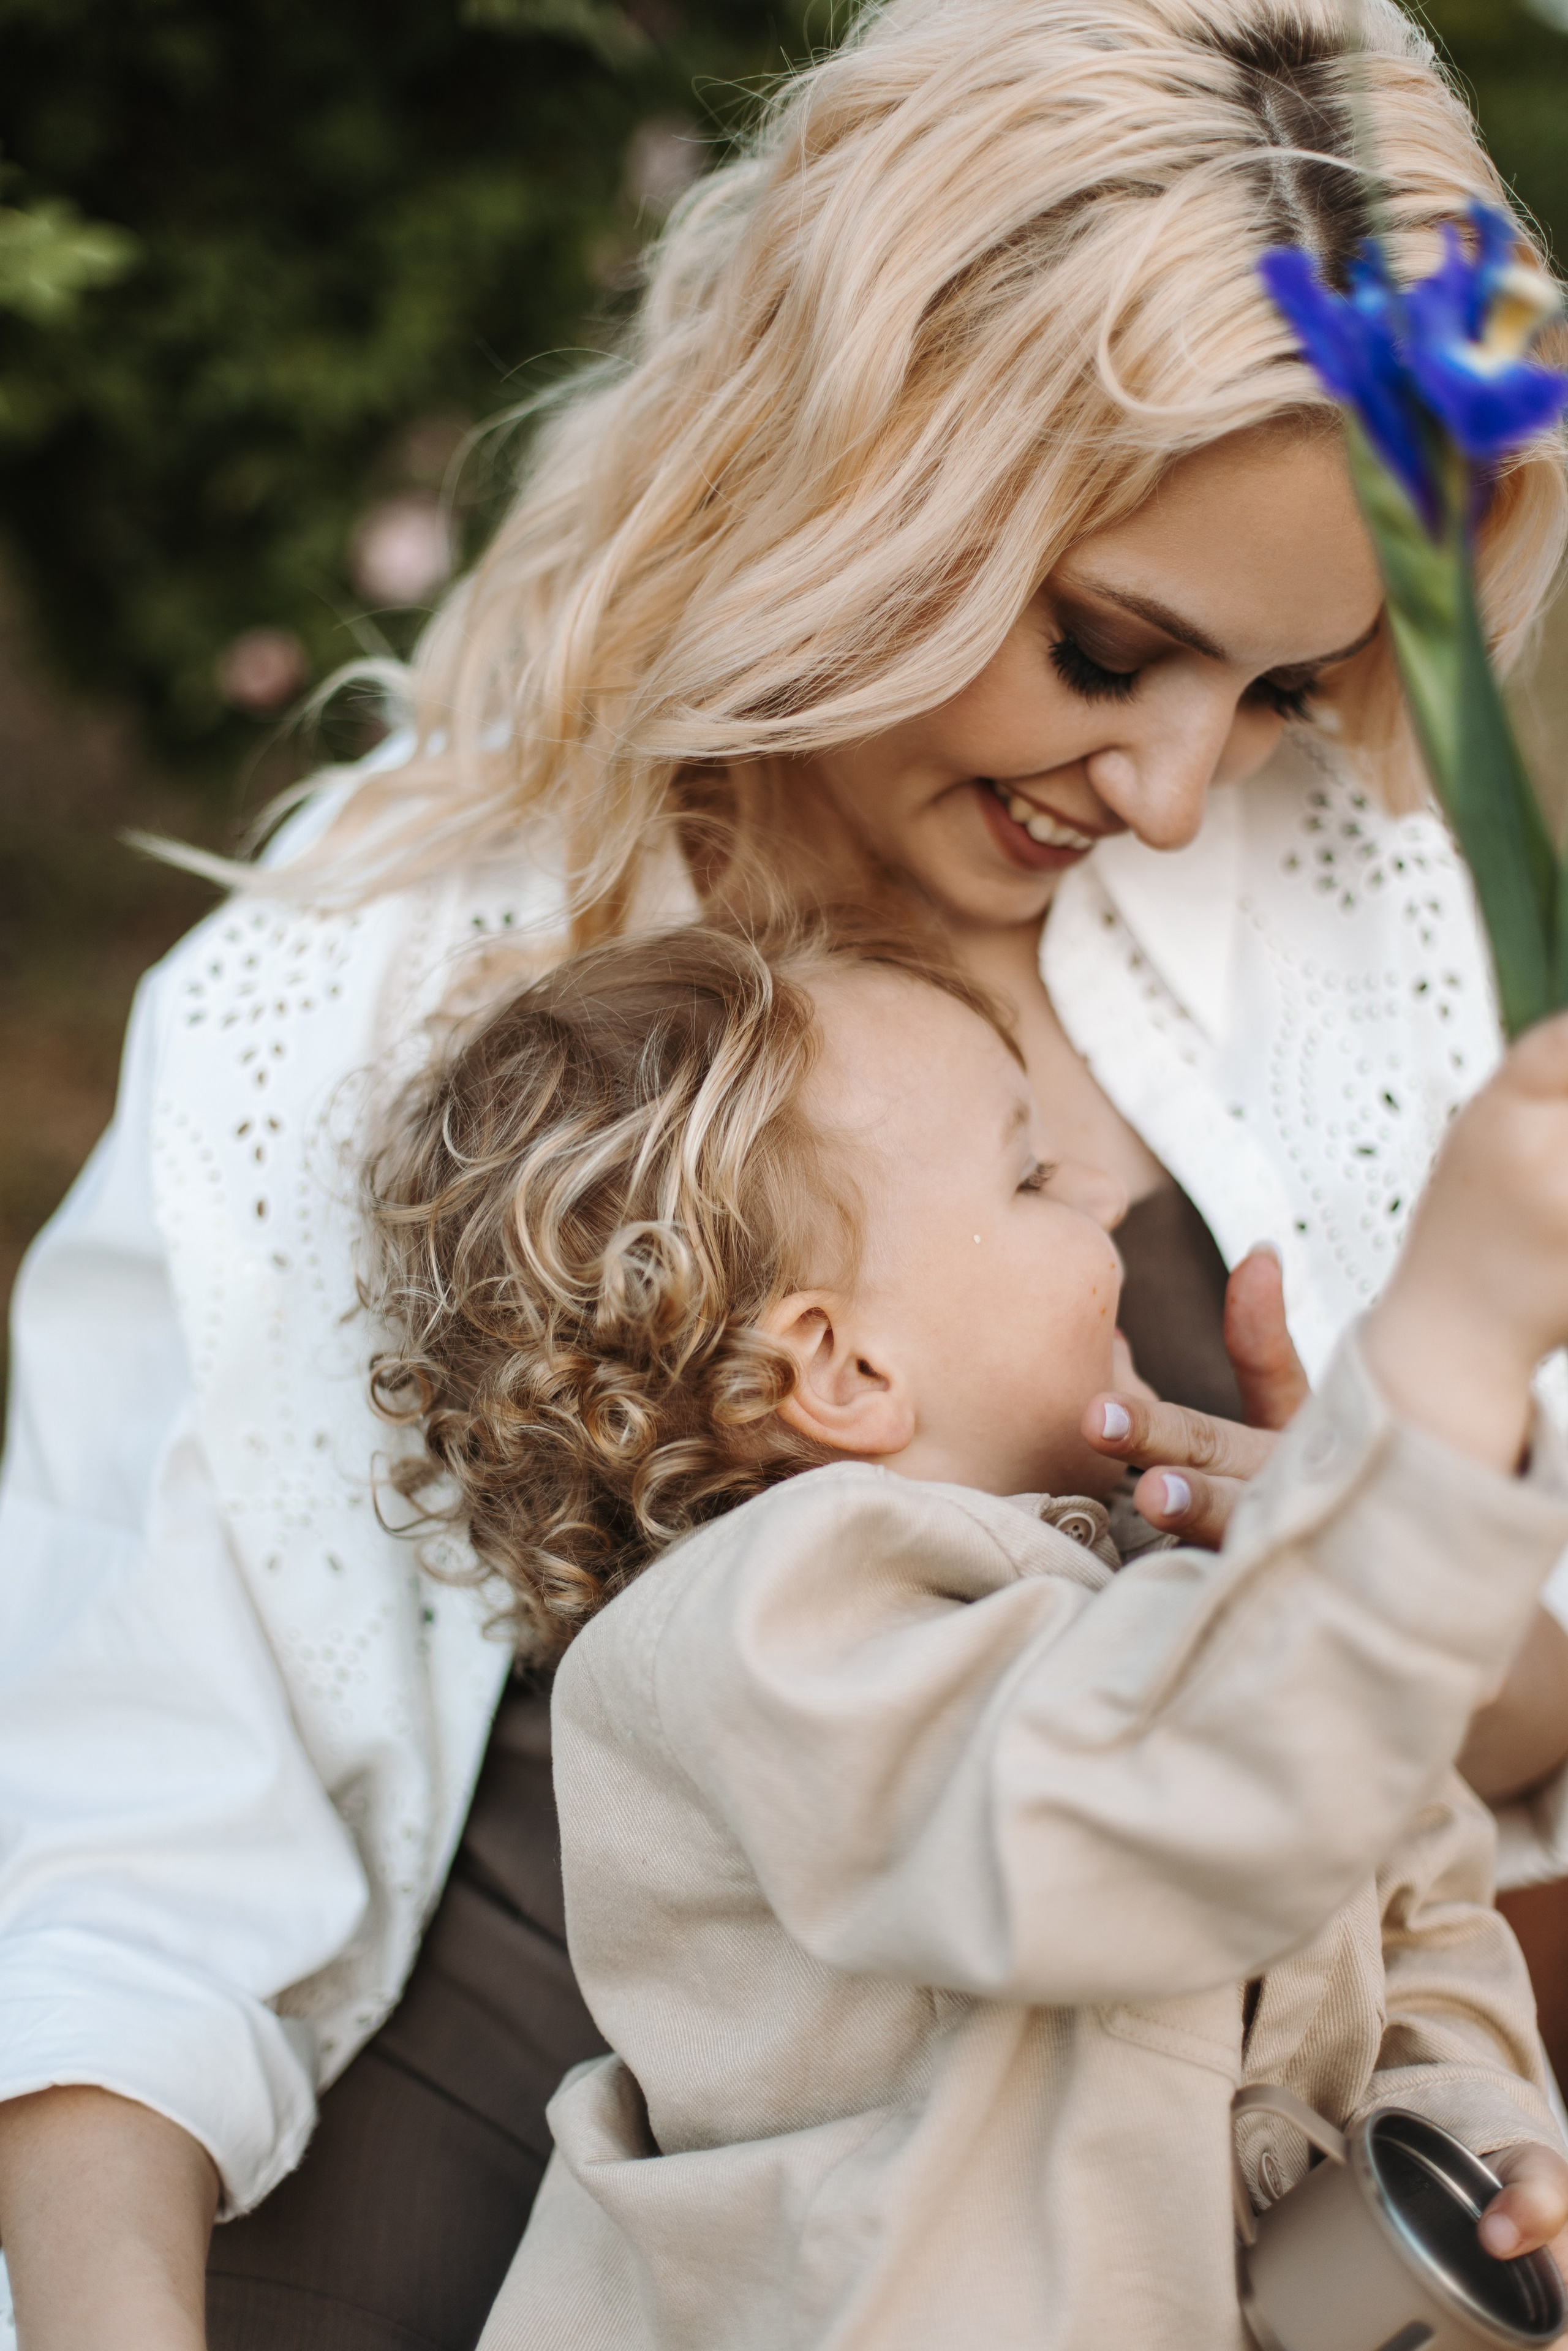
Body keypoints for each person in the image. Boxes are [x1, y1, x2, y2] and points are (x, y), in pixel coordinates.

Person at [2, 1, 1567, 2345]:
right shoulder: (364, 973)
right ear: (873, 476)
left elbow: (1474, 1755)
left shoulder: (1326, 902)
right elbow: (113, 1872)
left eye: (1263, 687)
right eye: (1104, 647)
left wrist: (1355, 1534)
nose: (1165, 785)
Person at [350, 912, 1568, 2351]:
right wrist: (1436, 1373)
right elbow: (1150, 1823)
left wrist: (1468, 2129)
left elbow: (1398, 1877)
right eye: (1033, 1168)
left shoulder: (1131, 1589)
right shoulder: (761, 1633)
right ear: (843, 1365)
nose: (1108, 1189)